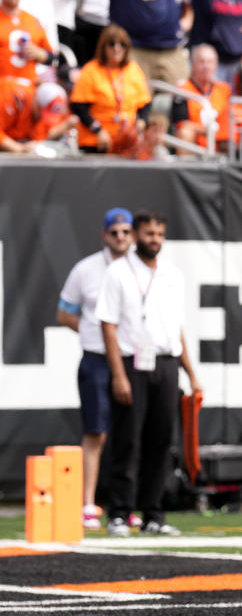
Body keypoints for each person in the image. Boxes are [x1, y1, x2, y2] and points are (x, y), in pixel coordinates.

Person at [96, 209, 201, 538]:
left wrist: (191, 373)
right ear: (136, 235)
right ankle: (120, 513)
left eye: (159, 234)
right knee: (128, 440)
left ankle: (154, 513)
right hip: (131, 363)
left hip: (166, 363)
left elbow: (177, 328)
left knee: (161, 441)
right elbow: (108, 327)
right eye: (148, 233)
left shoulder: (172, 275)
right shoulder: (118, 272)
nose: (153, 239)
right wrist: (118, 375)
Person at [56, 208, 134, 530]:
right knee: (96, 432)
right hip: (97, 357)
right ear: (104, 234)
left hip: (130, 357)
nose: (120, 237)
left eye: (125, 232)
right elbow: (64, 313)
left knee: (130, 433)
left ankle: (124, 504)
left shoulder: (140, 269)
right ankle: (87, 503)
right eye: (114, 232)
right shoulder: (86, 270)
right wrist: (95, 331)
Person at [69, 24, 151, 155]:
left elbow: (145, 103)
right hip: (96, 140)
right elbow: (78, 106)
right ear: (103, 47)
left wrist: (141, 124)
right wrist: (98, 131)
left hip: (126, 140)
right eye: (112, 44)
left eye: (122, 44)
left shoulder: (133, 69)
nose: (117, 49)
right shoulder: (91, 70)